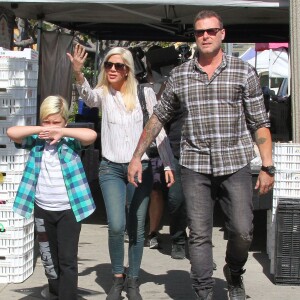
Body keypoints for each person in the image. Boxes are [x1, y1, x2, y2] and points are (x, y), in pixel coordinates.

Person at [128, 10, 275, 300]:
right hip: (194, 166)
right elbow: (158, 118)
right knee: (198, 233)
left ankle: (234, 272)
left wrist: (268, 166)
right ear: (195, 37)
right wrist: (136, 156)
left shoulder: (243, 71)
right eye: (199, 32)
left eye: (210, 31)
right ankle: (204, 291)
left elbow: (259, 122)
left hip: (235, 165)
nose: (205, 36)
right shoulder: (181, 75)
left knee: (243, 231)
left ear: (222, 33)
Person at [67, 44, 174, 300]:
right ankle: (117, 277)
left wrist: (168, 163)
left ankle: (133, 279)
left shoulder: (144, 93)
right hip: (111, 169)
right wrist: (78, 73)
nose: (113, 69)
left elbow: (156, 129)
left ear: (128, 70)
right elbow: (88, 98)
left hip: (141, 168)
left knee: (136, 226)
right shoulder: (103, 92)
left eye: (119, 66)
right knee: (116, 225)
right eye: (109, 65)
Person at [7, 95, 97, 300]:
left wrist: (61, 131)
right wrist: (41, 130)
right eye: (46, 121)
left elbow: (91, 135)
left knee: (67, 260)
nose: (51, 127)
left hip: (69, 210)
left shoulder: (71, 140)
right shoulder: (36, 141)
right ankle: (55, 293)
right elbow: (12, 132)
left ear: (65, 121)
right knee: (49, 260)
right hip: (42, 209)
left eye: (56, 122)